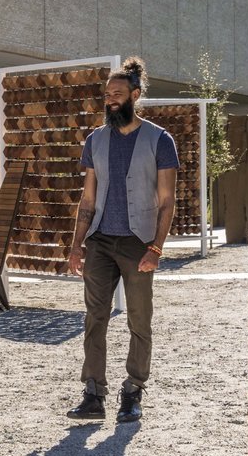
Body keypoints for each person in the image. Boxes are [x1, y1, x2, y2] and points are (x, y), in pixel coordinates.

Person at [64, 56, 176, 423]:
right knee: (94, 318)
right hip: (99, 241)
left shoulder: (160, 140)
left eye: (117, 93)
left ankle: (133, 390)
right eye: (107, 94)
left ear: (135, 95)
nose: (110, 99)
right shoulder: (95, 140)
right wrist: (77, 244)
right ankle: (94, 393)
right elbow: (88, 198)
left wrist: (156, 248)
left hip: (138, 241)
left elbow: (166, 200)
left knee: (139, 320)